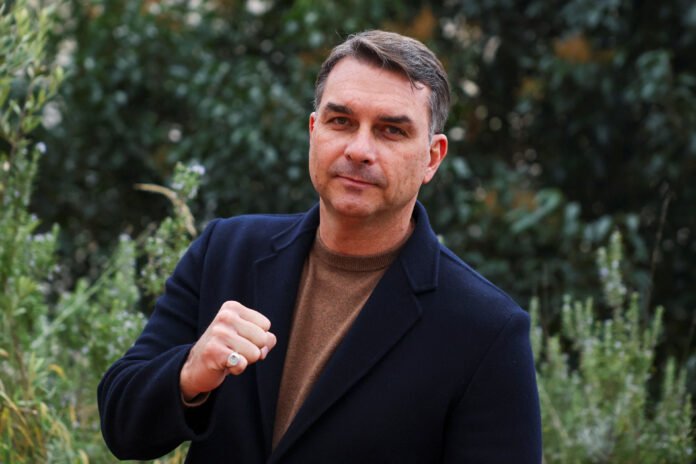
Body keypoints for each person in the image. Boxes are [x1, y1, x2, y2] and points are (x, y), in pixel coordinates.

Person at [98, 30, 542, 463]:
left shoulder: (487, 329)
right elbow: (122, 426)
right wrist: (189, 373)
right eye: (341, 121)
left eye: (391, 130)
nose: (359, 149)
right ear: (314, 131)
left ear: (432, 157)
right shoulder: (227, 251)